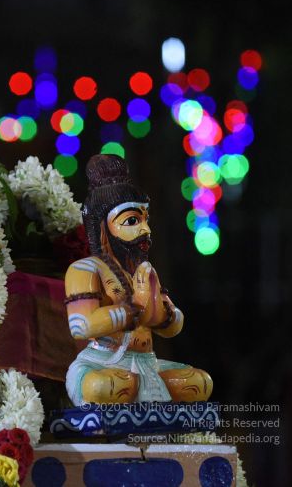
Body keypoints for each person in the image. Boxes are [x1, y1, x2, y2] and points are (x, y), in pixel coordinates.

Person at [64, 154, 213, 405]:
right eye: (132, 220)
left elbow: (173, 326)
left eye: (146, 219)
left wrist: (161, 312)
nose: (146, 229)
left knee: (200, 382)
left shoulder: (142, 271)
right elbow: (81, 326)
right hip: (102, 364)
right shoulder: (85, 269)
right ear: (103, 226)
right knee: (101, 387)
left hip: (146, 364)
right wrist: (132, 310)